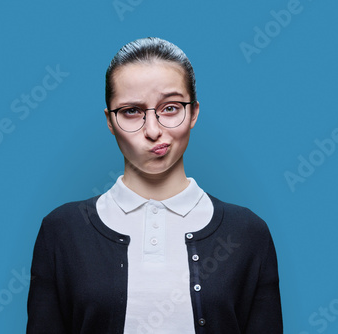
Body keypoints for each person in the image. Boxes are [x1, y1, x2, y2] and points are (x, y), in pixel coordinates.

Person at [27, 37, 283, 334]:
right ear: (110, 121)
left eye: (171, 108)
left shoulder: (247, 233)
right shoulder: (62, 230)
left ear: (194, 113)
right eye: (131, 111)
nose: (153, 131)